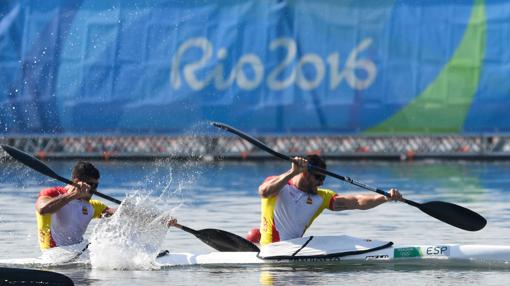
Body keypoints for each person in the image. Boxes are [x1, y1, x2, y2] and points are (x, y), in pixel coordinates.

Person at [251, 154, 403, 246]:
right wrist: (292, 171)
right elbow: (264, 192)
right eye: (319, 177)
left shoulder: (321, 197)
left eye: (323, 178)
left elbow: (356, 201)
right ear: (304, 174)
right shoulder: (278, 184)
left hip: (293, 251)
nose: (321, 182)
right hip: (271, 251)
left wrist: (384, 197)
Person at [35, 161, 177, 250]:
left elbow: (124, 213)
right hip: (53, 255)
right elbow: (42, 210)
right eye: (91, 185)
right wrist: (72, 195)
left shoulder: (92, 206)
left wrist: (161, 220)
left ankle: (140, 255)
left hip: (78, 252)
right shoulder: (51, 193)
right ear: (77, 181)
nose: (94, 190)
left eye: (96, 186)